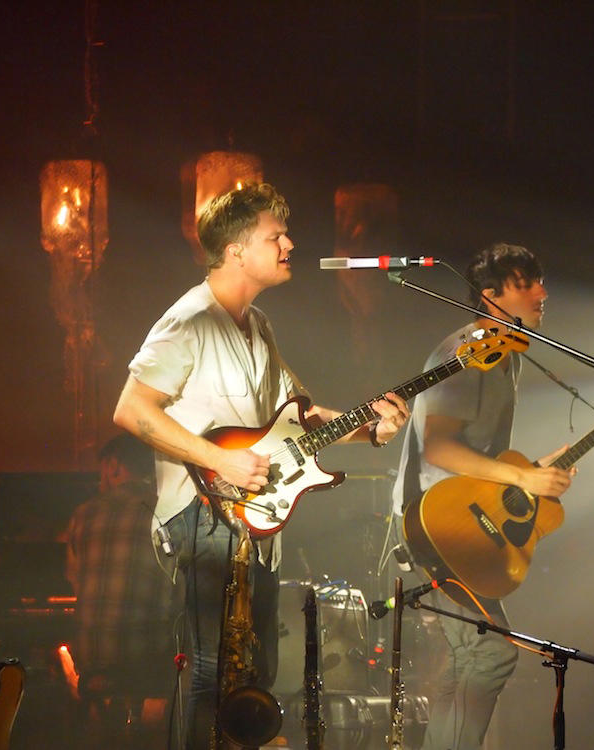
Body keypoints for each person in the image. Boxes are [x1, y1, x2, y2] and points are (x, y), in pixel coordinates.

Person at [113, 183, 409, 750]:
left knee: (256, 673)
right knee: (209, 672)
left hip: (254, 520)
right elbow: (130, 409)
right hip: (205, 515)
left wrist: (370, 427)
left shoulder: (258, 324)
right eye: (276, 236)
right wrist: (217, 458)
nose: (290, 243)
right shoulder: (190, 320)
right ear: (236, 251)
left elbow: (300, 414)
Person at [390, 243, 574, 750]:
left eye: (540, 280)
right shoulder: (467, 350)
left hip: (464, 522)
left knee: (468, 658)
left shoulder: (507, 355)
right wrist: (521, 481)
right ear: (491, 297)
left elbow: (477, 460)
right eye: (524, 283)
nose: (542, 292)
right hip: (436, 527)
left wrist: (532, 476)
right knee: (492, 654)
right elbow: (441, 446)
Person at [66, 432, 182, 747]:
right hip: (147, 656)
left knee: (102, 731)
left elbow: (75, 579)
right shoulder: (168, 511)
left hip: (94, 658)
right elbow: (180, 587)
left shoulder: (83, 513)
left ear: (114, 466)